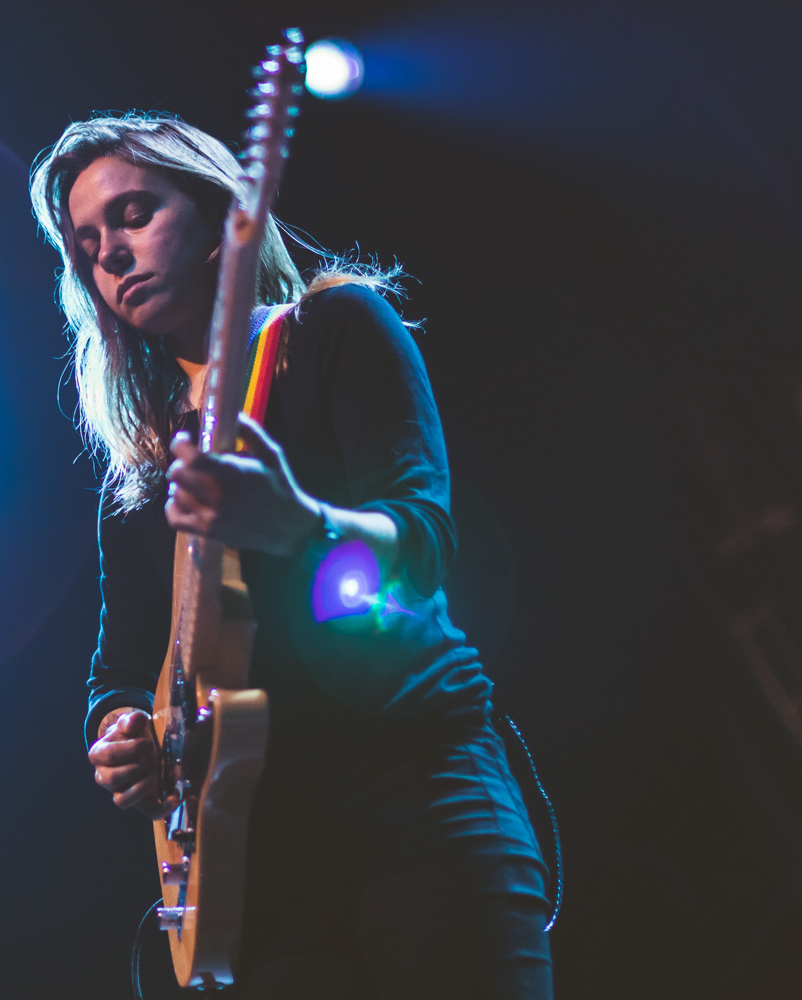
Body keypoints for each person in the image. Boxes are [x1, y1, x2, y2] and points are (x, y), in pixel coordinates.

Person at [29, 113, 554, 999]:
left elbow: (422, 541)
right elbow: (119, 666)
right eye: (86, 244)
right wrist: (119, 730)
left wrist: (301, 525)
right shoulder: (144, 469)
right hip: (252, 866)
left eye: (133, 214)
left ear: (217, 214)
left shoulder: (336, 329)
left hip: (411, 793)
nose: (110, 255)